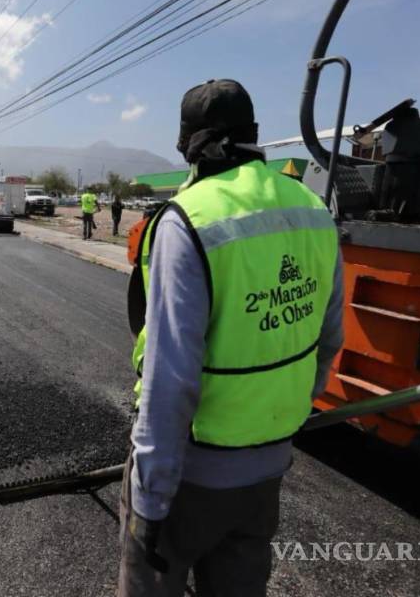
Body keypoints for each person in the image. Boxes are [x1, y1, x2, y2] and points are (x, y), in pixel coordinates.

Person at [120, 80, 344, 597]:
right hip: (266, 470)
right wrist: (276, 416)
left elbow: (170, 380)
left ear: (191, 143)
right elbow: (328, 340)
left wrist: (150, 501)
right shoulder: (313, 209)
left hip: (189, 476)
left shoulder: (189, 218)